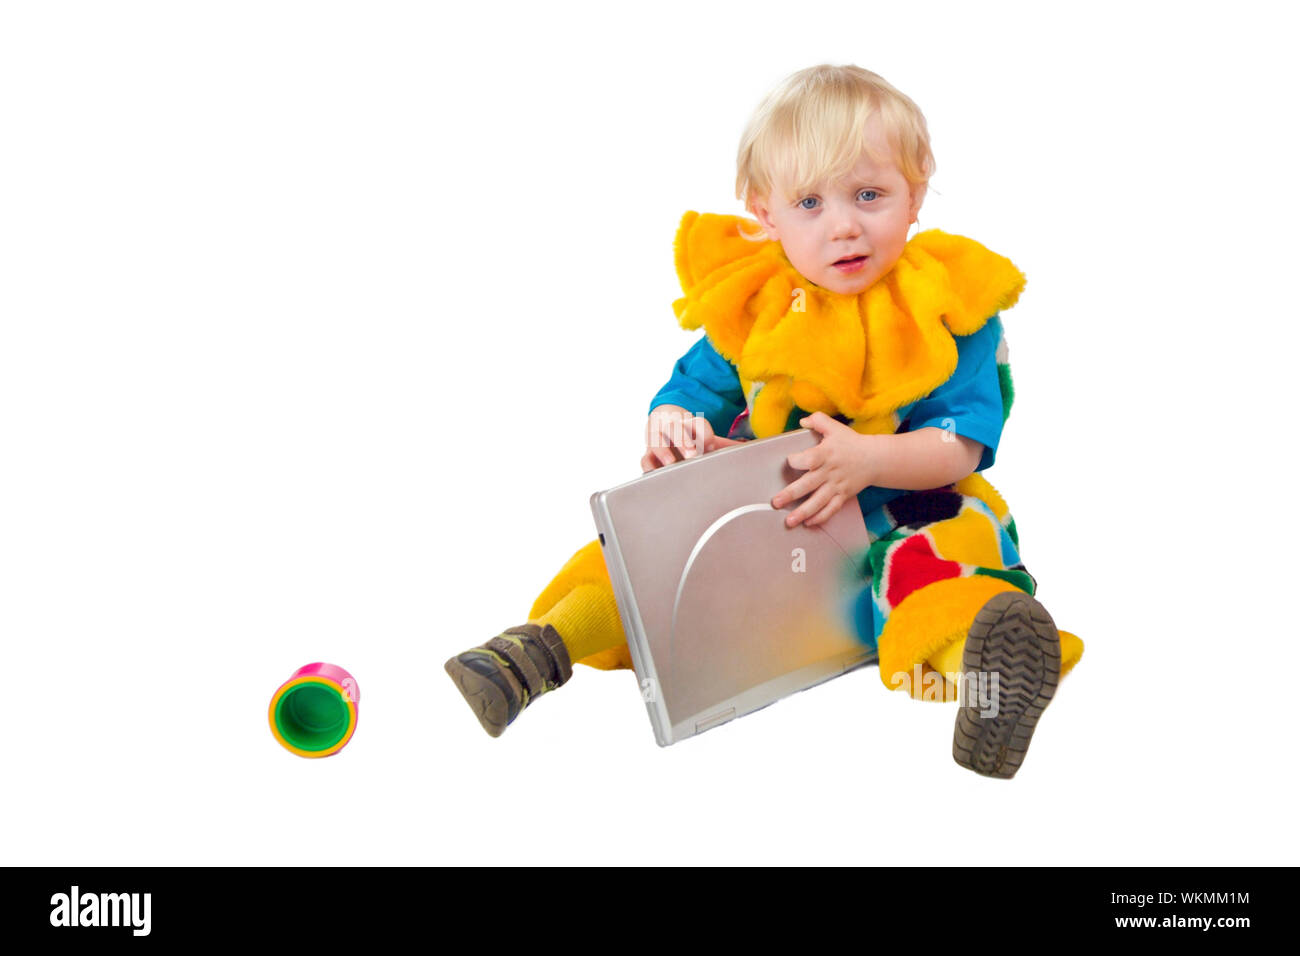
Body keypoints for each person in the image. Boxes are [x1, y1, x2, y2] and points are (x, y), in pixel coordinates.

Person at [443, 64, 1084, 778]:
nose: (844, 224)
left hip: (903, 507)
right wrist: (674, 427)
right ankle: (540, 649)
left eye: (869, 194)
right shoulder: (754, 306)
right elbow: (688, 392)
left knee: (939, 565)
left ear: (915, 195)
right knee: (641, 556)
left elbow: (961, 444)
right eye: (810, 202)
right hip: (770, 516)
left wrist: (871, 461)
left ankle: (989, 679)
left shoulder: (946, 307)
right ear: (765, 213)